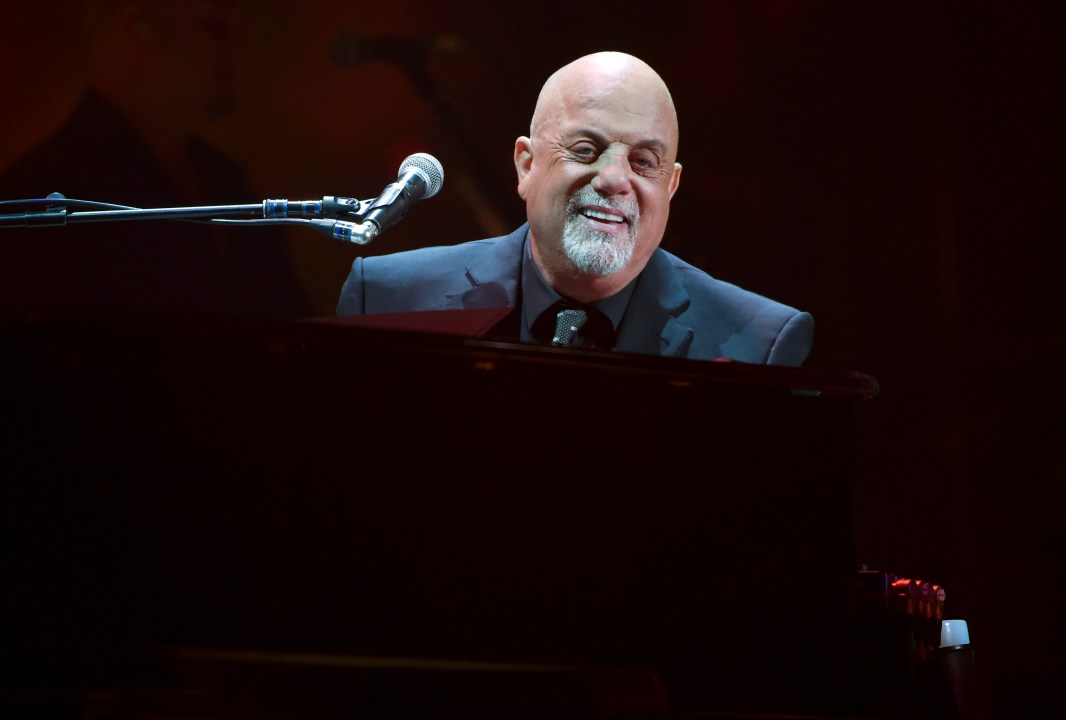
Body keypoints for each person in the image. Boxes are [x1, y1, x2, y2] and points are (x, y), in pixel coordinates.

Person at [336, 51, 813, 365]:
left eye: (643, 162)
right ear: (526, 165)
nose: (612, 179)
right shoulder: (384, 299)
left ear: (671, 185)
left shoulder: (762, 342)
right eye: (586, 150)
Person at [0, 1, 312, 321]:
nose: (239, 51)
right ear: (139, 25)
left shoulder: (227, 185)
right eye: (216, 27)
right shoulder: (46, 198)